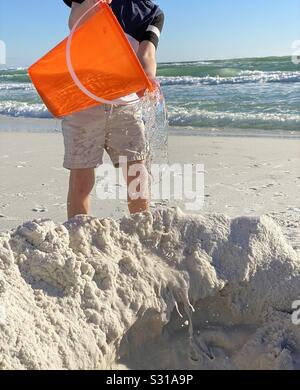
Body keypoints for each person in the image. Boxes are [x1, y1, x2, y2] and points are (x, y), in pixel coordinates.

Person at [62, 0, 164, 218]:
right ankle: (78, 237)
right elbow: (75, 23)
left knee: (136, 174)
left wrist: (148, 78)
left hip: (125, 106)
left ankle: (140, 229)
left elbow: (146, 54)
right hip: (84, 100)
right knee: (81, 177)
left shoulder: (152, 13)